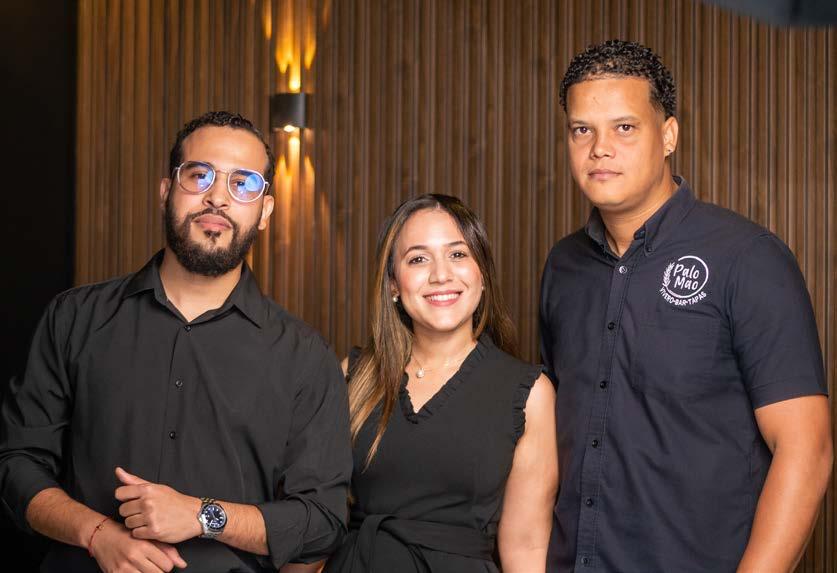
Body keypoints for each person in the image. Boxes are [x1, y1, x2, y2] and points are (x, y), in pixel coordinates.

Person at [0, 111, 352, 573]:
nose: (217, 198)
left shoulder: (305, 357)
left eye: (242, 184)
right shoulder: (74, 318)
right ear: (166, 191)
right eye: (199, 175)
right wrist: (97, 534)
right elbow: (17, 464)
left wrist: (203, 515)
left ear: (264, 211)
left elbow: (322, 522)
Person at [540, 39, 833, 572]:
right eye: (582, 130)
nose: (599, 148)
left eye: (624, 127)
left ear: (669, 135)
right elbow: (548, 441)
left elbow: (806, 450)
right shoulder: (563, 267)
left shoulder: (747, 258)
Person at [323, 194, 558, 572]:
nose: (440, 275)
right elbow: (316, 518)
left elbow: (526, 547)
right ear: (393, 284)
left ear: (482, 274)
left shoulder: (529, 394)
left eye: (458, 254)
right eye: (418, 259)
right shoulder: (354, 374)